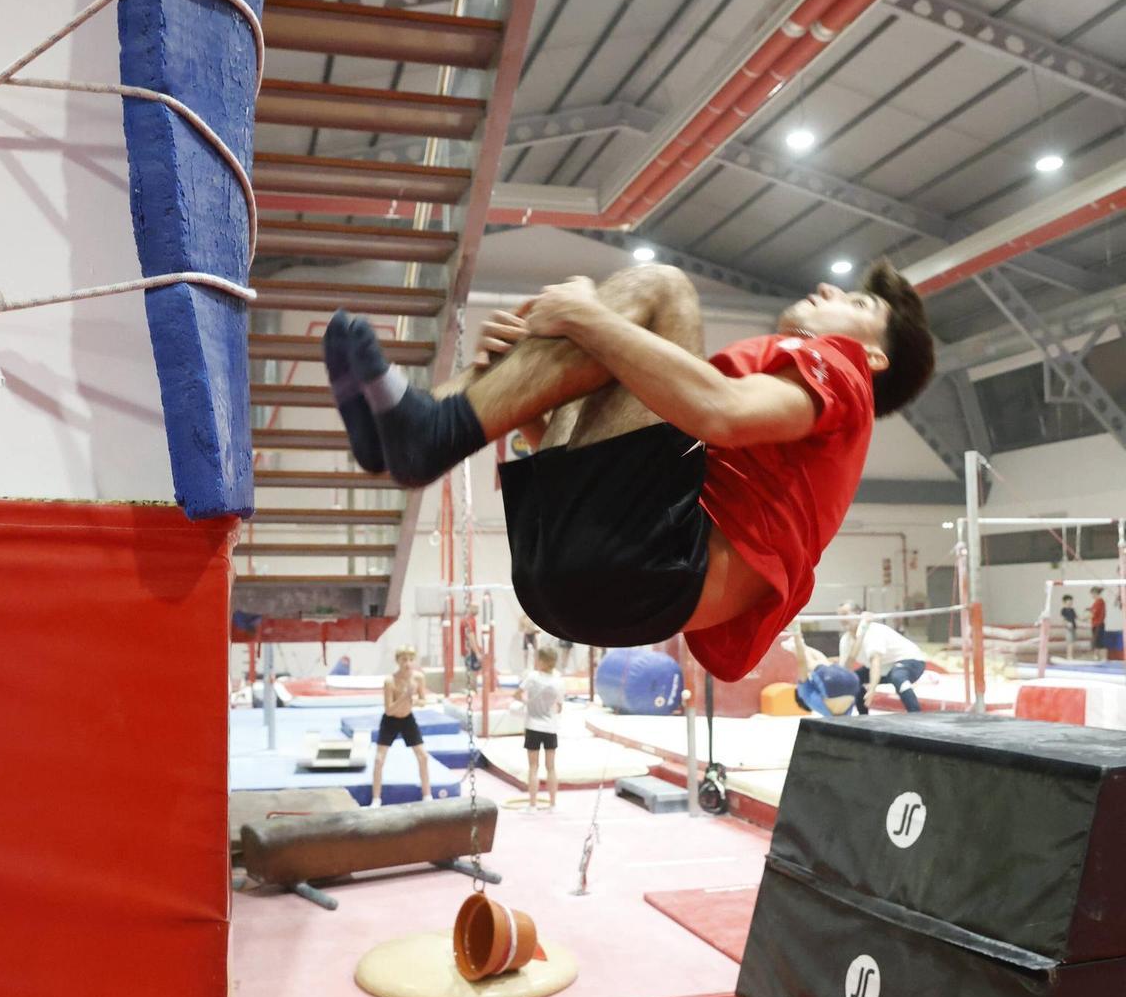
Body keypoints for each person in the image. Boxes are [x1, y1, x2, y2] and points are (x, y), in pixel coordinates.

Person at [324, 259, 934, 682]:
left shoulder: (847, 375)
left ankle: (431, 429)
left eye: (856, 302)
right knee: (590, 355)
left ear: (873, 353)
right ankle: (417, 429)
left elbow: (719, 412)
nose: (829, 288)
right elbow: (572, 449)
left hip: (652, 573)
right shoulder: (780, 423)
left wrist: (587, 318)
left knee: (662, 290)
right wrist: (517, 376)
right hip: (577, 577)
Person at [371, 644, 432, 808]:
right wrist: (406, 695)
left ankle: (427, 794)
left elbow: (423, 700)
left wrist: (414, 700)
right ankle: (376, 798)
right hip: (391, 720)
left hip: (407, 718)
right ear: (398, 661)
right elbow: (389, 710)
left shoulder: (418, 678)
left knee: (423, 756)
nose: (408, 663)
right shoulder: (390, 681)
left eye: (411, 659)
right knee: (378, 759)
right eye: (404, 659)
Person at [840, 610, 927, 714]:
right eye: (839, 615)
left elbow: (875, 662)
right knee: (854, 679)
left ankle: (915, 714)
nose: (842, 619)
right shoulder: (845, 640)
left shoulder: (873, 631)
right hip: (884, 666)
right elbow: (846, 668)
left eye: (845, 614)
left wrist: (872, 688)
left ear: (858, 615)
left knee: (898, 676)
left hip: (911, 660)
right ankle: (863, 718)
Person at [515, 642, 564, 810]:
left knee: (533, 767)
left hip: (533, 726)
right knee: (551, 767)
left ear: (541, 661)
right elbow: (559, 707)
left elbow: (517, 694)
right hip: (550, 727)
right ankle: (553, 804)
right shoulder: (558, 681)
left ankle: (532, 805)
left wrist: (525, 703)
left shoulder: (532, 677)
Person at [787, 622, 862, 717]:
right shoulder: (805, 696)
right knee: (812, 663)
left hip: (853, 683)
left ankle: (863, 628)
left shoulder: (823, 706)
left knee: (824, 662)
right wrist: (796, 633)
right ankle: (797, 640)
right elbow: (802, 663)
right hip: (831, 683)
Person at [1090, 588, 1108, 663]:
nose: (1092, 596)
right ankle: (1097, 657)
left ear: (1096, 593)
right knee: (1097, 642)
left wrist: (1083, 618)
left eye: (1092, 594)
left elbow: (1094, 614)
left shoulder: (1099, 601)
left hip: (1098, 624)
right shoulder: (1097, 602)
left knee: (1099, 642)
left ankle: (1103, 658)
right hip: (1096, 624)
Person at [1059, 593, 1077, 661]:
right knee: (1070, 642)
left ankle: (1071, 656)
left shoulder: (1072, 610)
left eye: (1071, 601)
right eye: (1069, 601)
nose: (1070, 603)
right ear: (1064, 602)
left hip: (1073, 627)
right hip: (1068, 628)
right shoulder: (1064, 610)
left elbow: (1077, 617)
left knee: (1072, 642)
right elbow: (1063, 619)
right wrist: (1067, 623)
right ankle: (1069, 656)